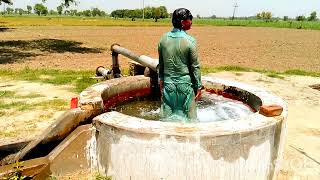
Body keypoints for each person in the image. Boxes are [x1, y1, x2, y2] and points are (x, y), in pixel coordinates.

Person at [158, 8, 202, 122]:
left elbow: (161, 64)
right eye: (190, 19)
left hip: (169, 86)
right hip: (185, 87)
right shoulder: (190, 41)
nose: (191, 22)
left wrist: (161, 82)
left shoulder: (163, 39)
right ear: (183, 22)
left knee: (165, 120)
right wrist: (198, 87)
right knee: (191, 121)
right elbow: (195, 67)